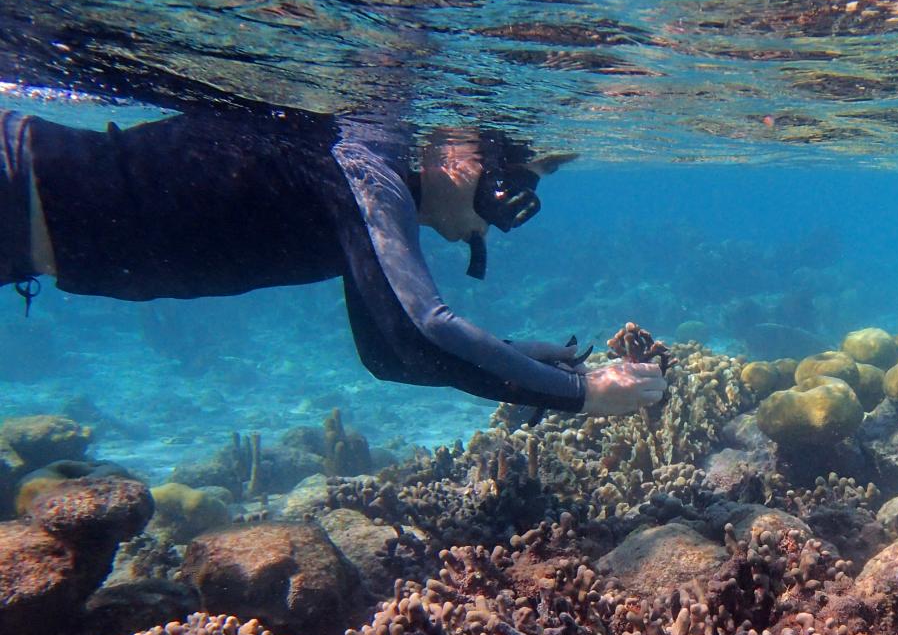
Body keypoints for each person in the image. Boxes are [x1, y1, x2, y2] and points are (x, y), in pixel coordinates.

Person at [0, 108, 666, 416]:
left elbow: (388, 356)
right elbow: (422, 331)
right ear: (458, 161)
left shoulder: (376, 198)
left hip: (23, 224)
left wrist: (524, 357)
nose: (508, 212)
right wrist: (580, 394)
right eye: (513, 182)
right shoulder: (365, 170)